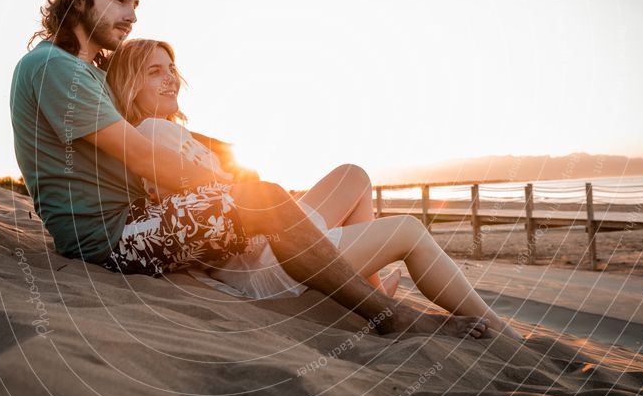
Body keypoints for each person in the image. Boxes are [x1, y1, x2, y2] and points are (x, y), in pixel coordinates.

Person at [10, 0, 497, 341]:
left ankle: (351, 285)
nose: (132, 14)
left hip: (126, 228)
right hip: (112, 240)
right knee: (260, 197)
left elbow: (137, 135)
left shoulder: (80, 72)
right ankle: (390, 316)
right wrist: (230, 186)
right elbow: (142, 156)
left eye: (135, 3)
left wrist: (214, 155)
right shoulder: (56, 67)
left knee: (269, 195)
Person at [103, 38, 522, 340]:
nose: (170, 79)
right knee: (408, 230)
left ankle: (369, 288)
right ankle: (504, 336)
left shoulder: (169, 132)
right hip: (264, 263)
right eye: (154, 72)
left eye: (171, 68)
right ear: (130, 86)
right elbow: (215, 202)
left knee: (353, 175)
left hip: (268, 245)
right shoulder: (152, 132)